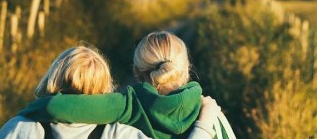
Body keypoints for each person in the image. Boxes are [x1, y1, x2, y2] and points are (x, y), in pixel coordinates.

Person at [18, 32, 235, 138]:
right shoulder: (211, 114)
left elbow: (53, 107)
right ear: (187, 69)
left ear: (136, 73)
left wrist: (29, 110)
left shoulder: (129, 104)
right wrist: (205, 123)